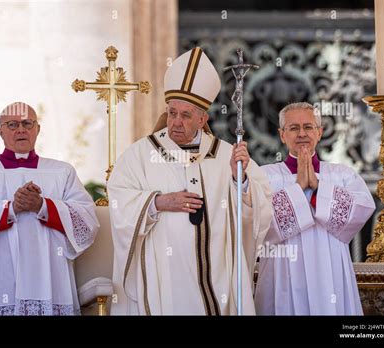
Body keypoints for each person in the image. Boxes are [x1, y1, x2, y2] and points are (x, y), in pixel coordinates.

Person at [108, 47, 273, 315]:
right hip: (165, 274)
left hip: (217, 276)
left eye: (185, 116)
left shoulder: (226, 154)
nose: (175, 122)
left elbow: (261, 208)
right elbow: (118, 198)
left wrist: (238, 179)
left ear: (202, 118)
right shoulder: (141, 153)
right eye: (172, 113)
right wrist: (157, 202)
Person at [0, 102, 99, 315]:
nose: (21, 129)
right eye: (12, 124)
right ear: (0, 131)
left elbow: (87, 220)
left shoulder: (61, 172)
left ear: (37, 129)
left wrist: (43, 206)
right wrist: (9, 208)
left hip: (49, 272)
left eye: (27, 123)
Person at [254, 102, 375, 315]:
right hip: (282, 272)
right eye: (293, 128)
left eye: (308, 127)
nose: (302, 133)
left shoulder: (342, 175)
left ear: (319, 132)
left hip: (330, 273)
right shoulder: (264, 175)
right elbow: (258, 221)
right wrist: (298, 187)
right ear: (282, 135)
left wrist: (319, 188)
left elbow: (362, 208)